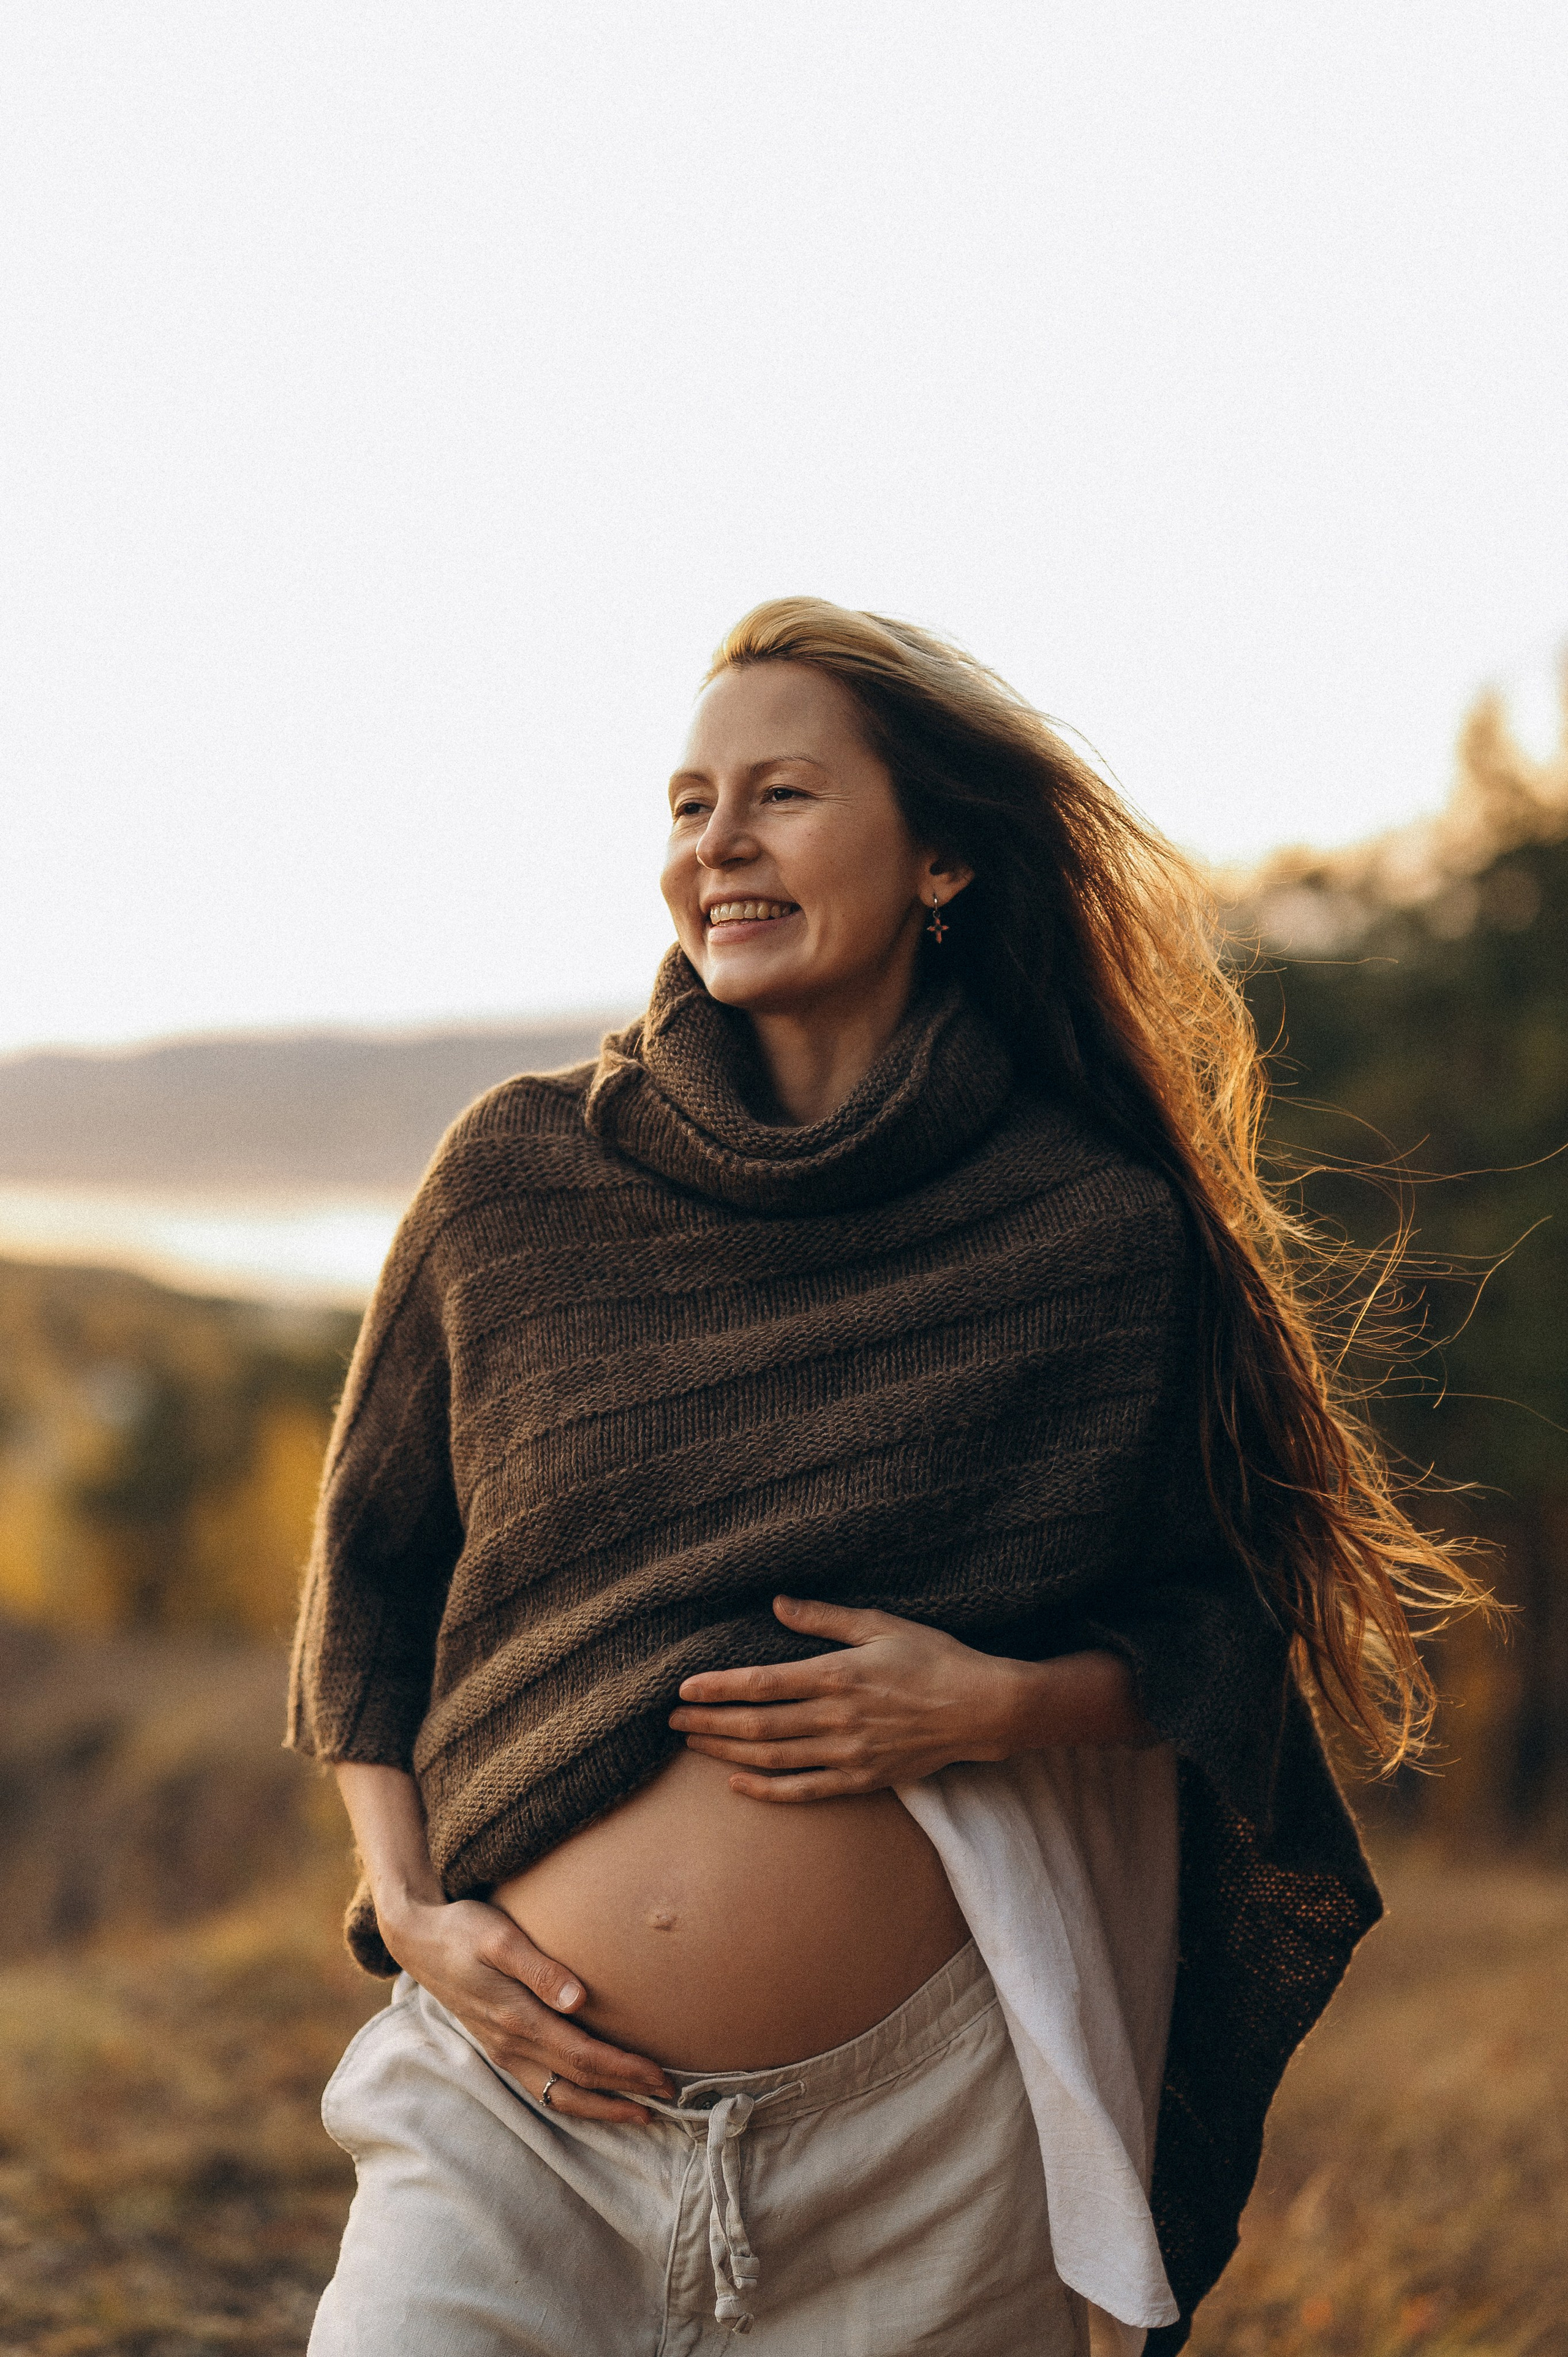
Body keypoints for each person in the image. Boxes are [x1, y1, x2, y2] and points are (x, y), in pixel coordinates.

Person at [288, 598, 1477, 2356]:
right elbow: (371, 1576)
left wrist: (995, 1705)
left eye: (781, 795)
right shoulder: (522, 1180)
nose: (720, 846)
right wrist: (407, 1910)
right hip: (512, 2117)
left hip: (922, 2144)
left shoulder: (1087, 1232)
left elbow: (1223, 1632)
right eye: (690, 805)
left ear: (941, 859)